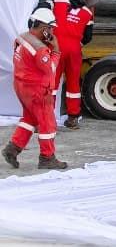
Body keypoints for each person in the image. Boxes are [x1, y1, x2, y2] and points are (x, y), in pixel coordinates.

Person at [2, 9, 67, 170]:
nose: (52, 32)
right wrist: (56, 50)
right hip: (37, 90)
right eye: (50, 28)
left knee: (29, 119)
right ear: (43, 28)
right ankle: (47, 158)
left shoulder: (22, 37)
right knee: (47, 124)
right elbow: (50, 69)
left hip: (21, 86)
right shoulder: (40, 49)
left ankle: (12, 149)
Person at [46, 0, 96, 130]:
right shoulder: (87, 12)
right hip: (74, 51)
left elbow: (42, 17)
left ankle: (46, 120)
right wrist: (75, 44)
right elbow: (88, 37)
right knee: (73, 84)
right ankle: (73, 118)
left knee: (51, 84)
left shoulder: (56, 1)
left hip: (56, 48)